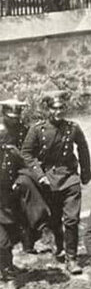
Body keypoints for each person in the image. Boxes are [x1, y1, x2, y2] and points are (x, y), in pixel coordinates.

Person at [22, 92, 91, 275]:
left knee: (72, 220)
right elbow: (27, 153)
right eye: (54, 108)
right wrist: (40, 175)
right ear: (48, 110)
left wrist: (85, 173)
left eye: (61, 108)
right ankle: (59, 246)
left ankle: (72, 258)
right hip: (49, 179)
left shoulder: (73, 128)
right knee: (54, 218)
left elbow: (83, 149)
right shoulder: (37, 130)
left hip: (70, 177)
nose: (58, 111)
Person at [1, 99, 48, 256]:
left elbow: (29, 153)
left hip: (19, 170)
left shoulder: (24, 130)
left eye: (17, 117)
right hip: (3, 174)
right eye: (11, 117)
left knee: (28, 186)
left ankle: (37, 231)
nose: (14, 120)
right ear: (4, 114)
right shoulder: (1, 129)